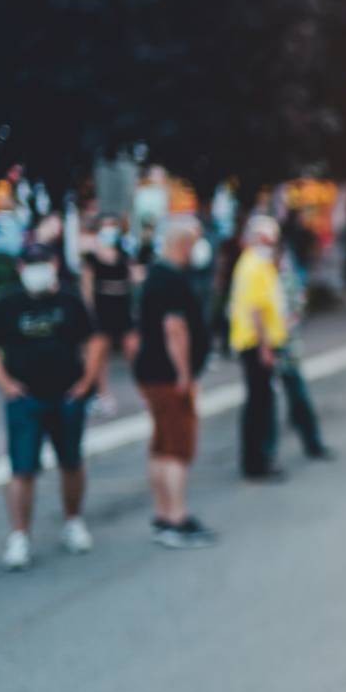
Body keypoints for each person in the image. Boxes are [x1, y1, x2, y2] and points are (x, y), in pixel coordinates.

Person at [0, 245, 104, 570]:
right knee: (22, 469)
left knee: (72, 462)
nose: (38, 269)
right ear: (21, 267)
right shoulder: (8, 303)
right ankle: (19, 536)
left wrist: (87, 382)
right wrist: (6, 385)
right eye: (31, 263)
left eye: (43, 263)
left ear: (55, 264)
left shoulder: (70, 301)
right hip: (26, 398)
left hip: (66, 395)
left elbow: (94, 340)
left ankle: (73, 521)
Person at [133, 219, 217, 549]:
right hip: (168, 377)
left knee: (161, 444)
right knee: (177, 448)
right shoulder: (170, 281)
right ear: (182, 243)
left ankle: (163, 513)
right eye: (194, 242)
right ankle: (176, 518)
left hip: (152, 372)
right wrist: (184, 374)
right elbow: (175, 330)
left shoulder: (157, 275)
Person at [229, 216, 291, 480]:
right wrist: (265, 346)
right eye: (268, 239)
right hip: (255, 345)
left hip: (259, 343)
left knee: (261, 403)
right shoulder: (253, 265)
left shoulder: (257, 263)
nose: (271, 244)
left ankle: (258, 460)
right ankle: (256, 463)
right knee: (259, 405)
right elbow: (255, 310)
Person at [80, 215, 139, 416]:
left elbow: (134, 277)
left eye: (112, 226)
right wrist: (90, 311)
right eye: (105, 226)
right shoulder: (91, 257)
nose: (109, 230)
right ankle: (101, 395)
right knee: (99, 353)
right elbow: (87, 285)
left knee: (133, 347)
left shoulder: (124, 253)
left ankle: (146, 389)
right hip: (102, 306)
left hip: (122, 304)